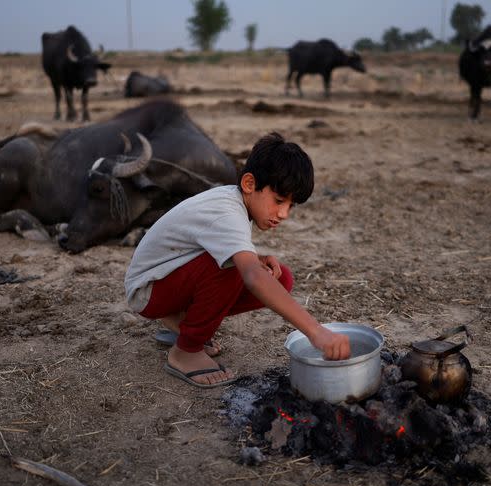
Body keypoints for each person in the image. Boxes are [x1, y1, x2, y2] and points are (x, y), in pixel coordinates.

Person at [124, 132, 351, 388]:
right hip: (148, 290)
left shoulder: (233, 203)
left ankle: (181, 320)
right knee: (238, 269)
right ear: (249, 184)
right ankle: (185, 352)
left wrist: (257, 258)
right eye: (278, 201)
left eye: (291, 205)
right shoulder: (226, 211)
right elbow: (250, 275)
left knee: (280, 277)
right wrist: (316, 331)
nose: (284, 213)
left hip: (167, 279)